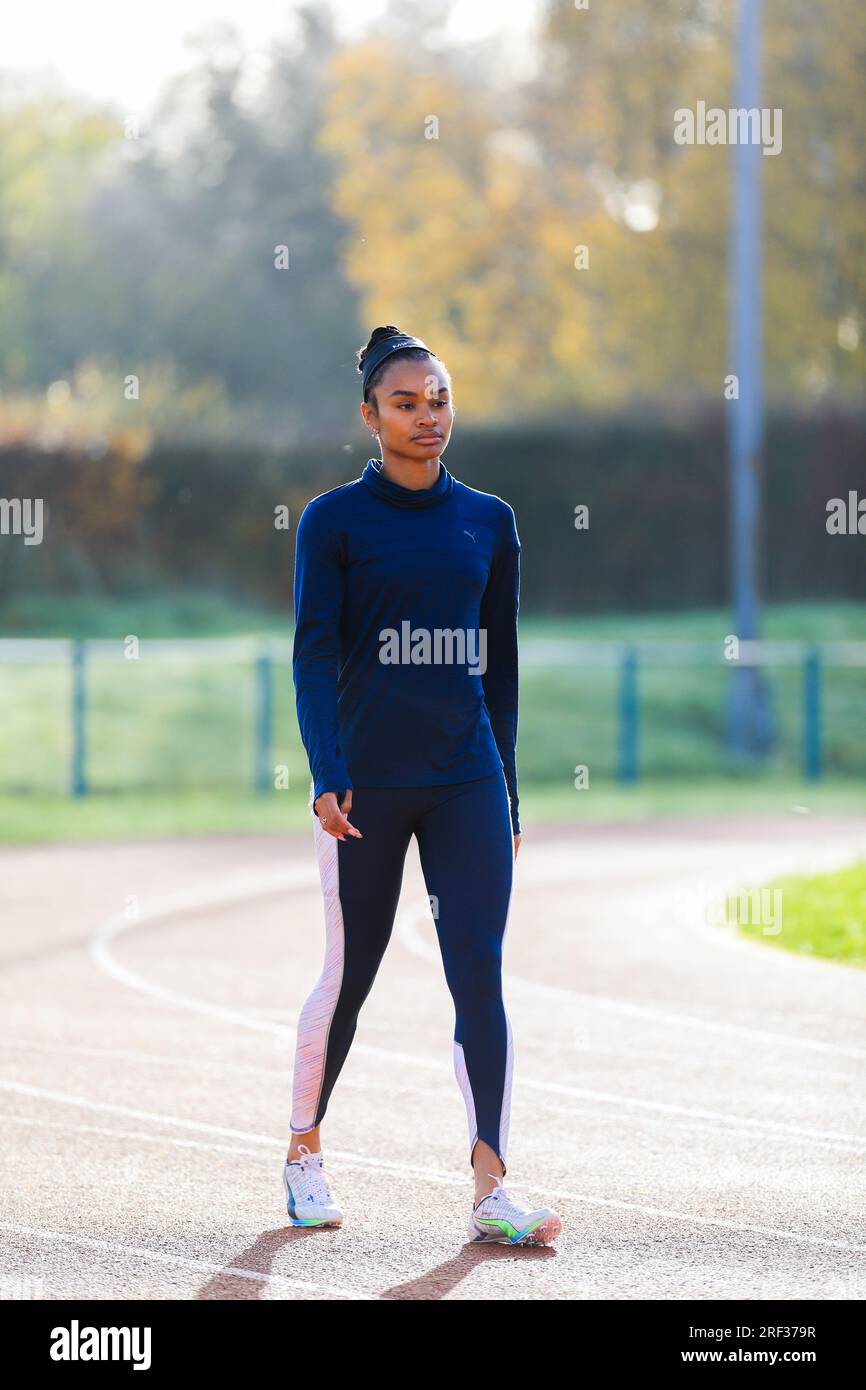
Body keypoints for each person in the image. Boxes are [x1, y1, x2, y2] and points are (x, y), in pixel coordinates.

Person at [282, 326, 562, 1246]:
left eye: (439, 399)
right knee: (352, 974)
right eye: (406, 403)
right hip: (364, 789)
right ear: (370, 415)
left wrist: (511, 789)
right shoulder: (333, 522)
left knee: (476, 970)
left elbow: (503, 665)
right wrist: (326, 772)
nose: (428, 416)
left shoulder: (490, 519)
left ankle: (491, 1186)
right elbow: (314, 656)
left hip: (467, 778)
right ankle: (304, 1153)